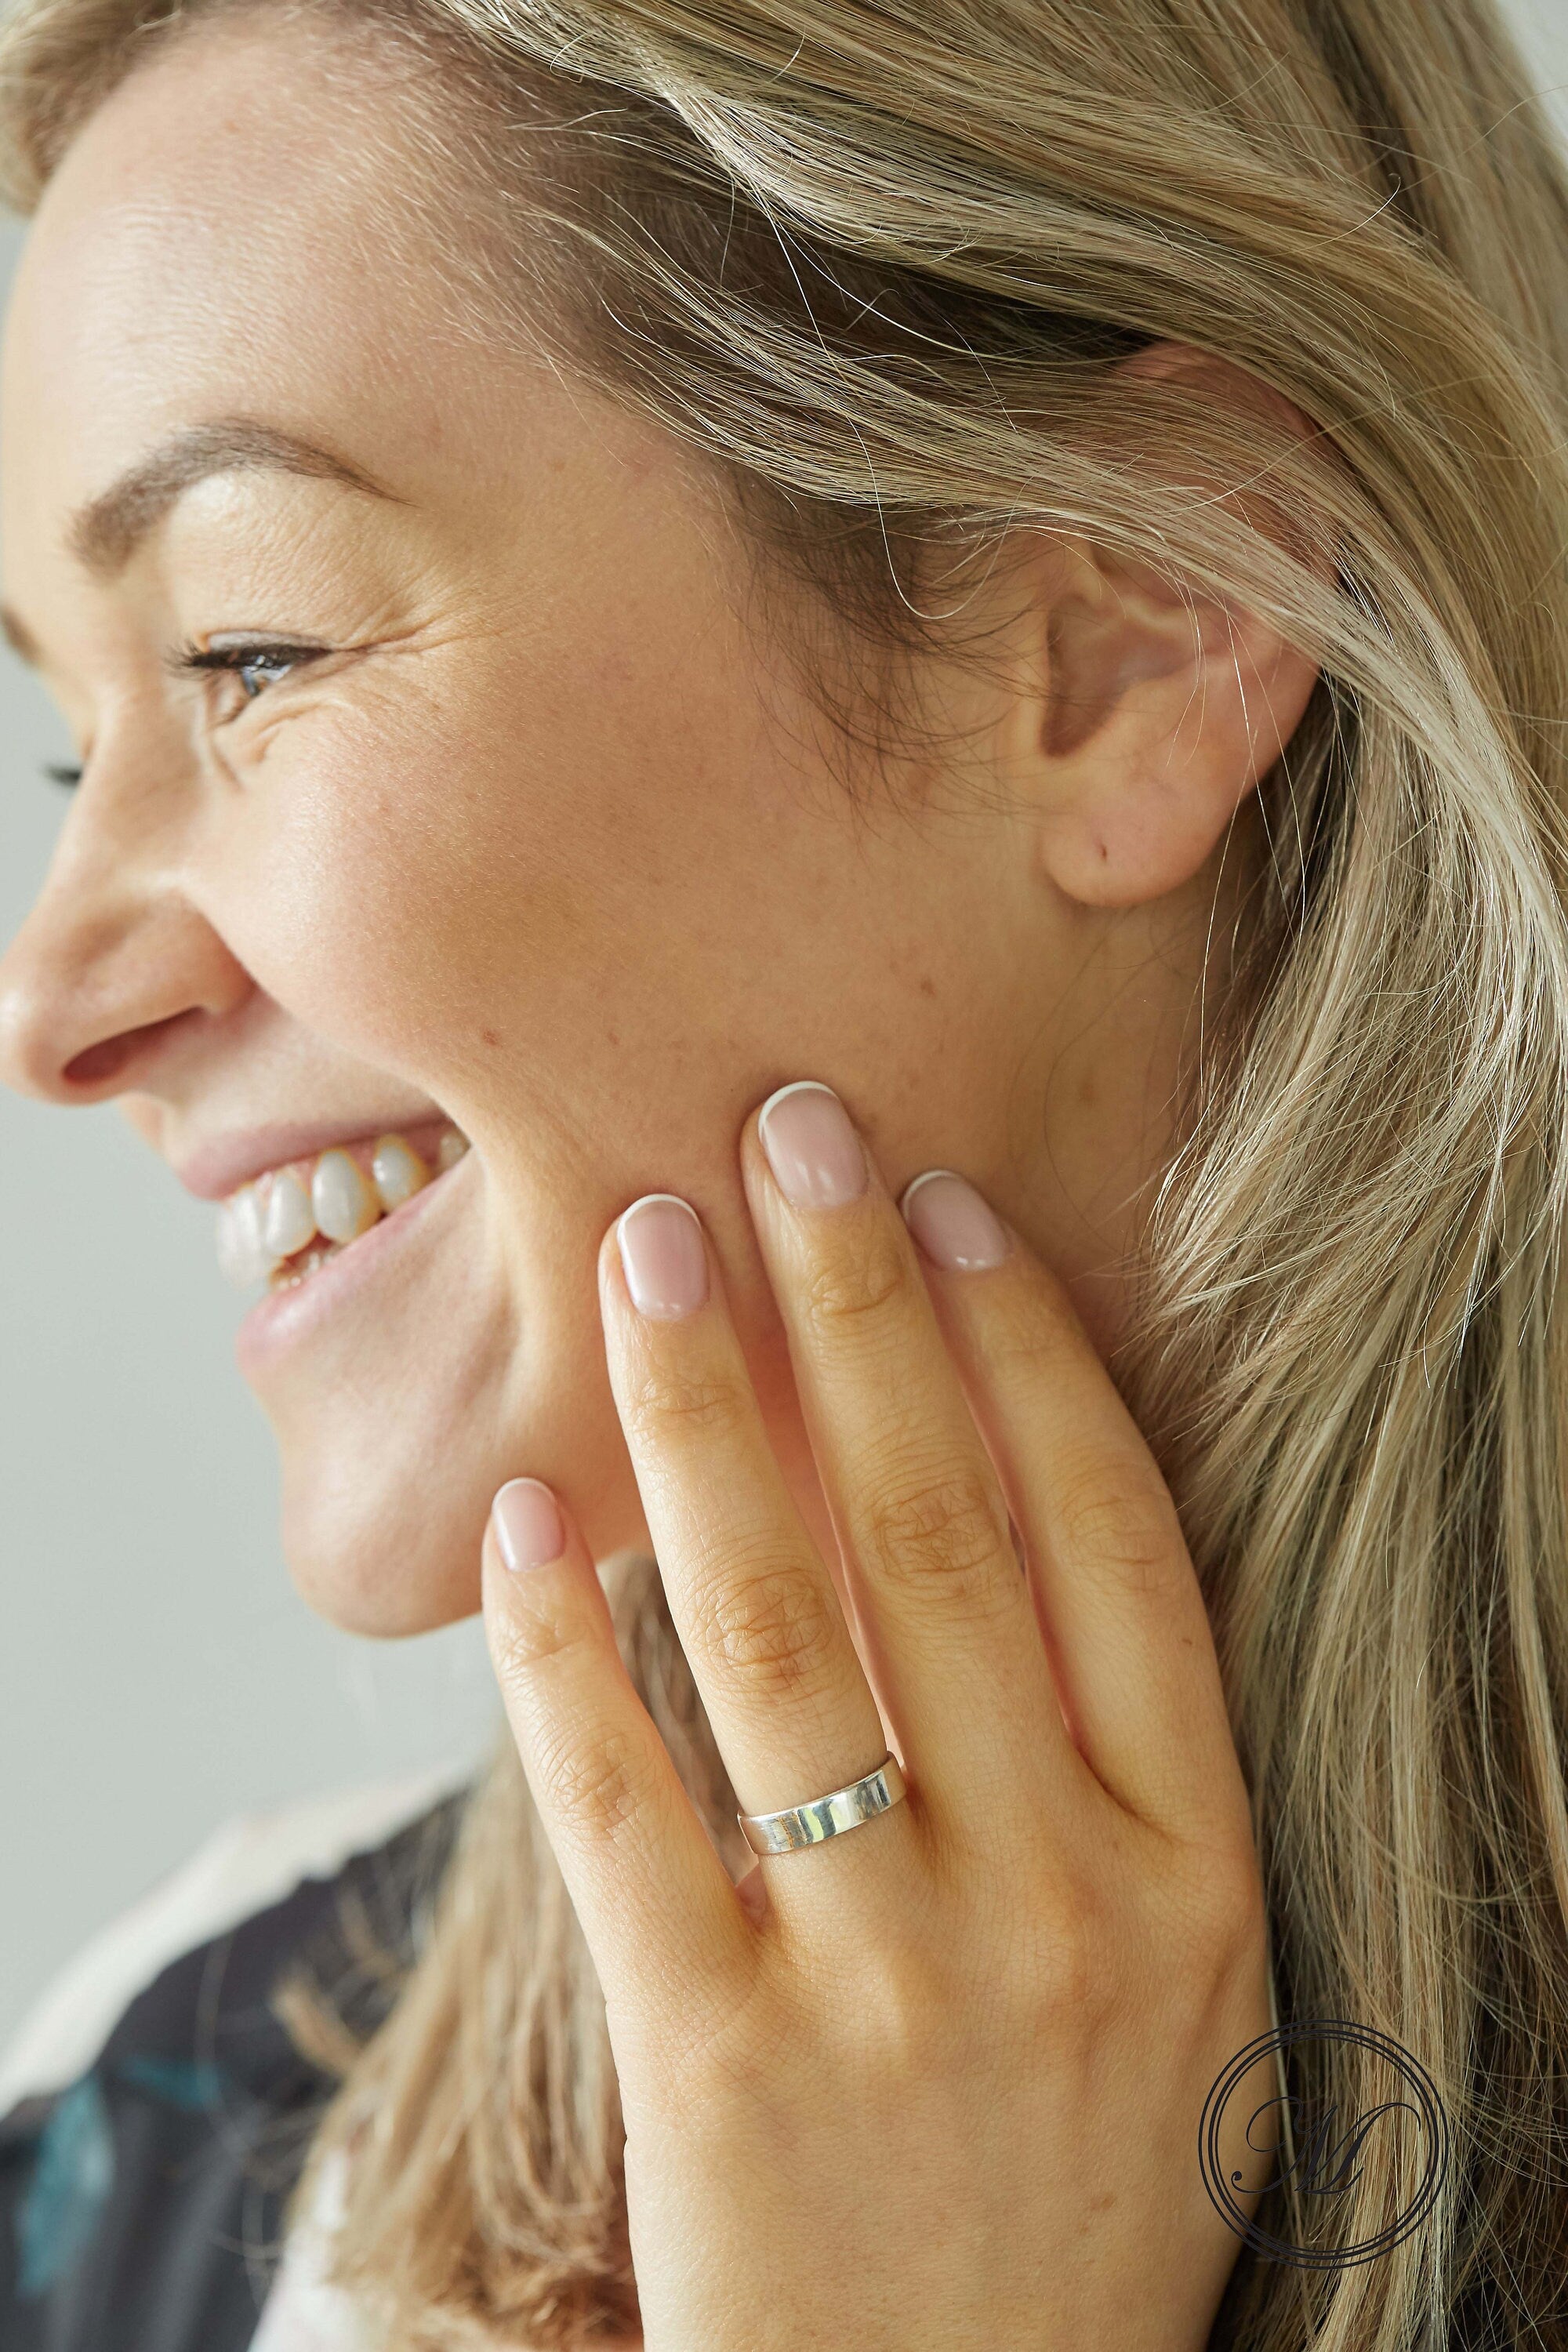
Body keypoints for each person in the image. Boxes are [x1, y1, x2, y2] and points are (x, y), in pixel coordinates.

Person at [0, 0, 1565, 2342]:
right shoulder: (146, 2141)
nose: (55, 1009)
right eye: (61, 745)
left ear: (1136, 623)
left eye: (252, 644)